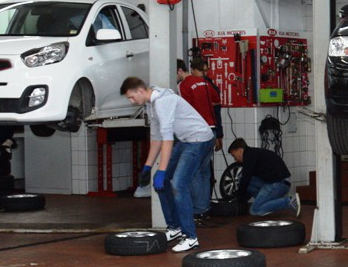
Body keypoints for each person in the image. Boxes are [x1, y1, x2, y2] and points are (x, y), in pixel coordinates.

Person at [121, 76, 215, 252]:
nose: (131, 101)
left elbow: (167, 138)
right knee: (162, 182)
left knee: (179, 185)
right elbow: (156, 137)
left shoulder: (163, 102)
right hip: (187, 140)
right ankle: (175, 228)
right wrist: (148, 168)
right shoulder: (151, 105)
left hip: (200, 140)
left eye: (131, 97)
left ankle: (190, 237)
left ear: (140, 91)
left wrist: (162, 170)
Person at [177, 59, 217, 219]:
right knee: (205, 171)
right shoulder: (205, 83)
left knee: (193, 172)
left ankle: (199, 209)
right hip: (212, 131)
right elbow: (216, 100)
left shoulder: (183, 86)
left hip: (198, 133)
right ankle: (205, 206)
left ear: (180, 71)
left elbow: (186, 110)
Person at [227, 138, 300, 217]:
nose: (235, 159)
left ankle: (288, 201)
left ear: (240, 150)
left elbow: (245, 180)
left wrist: (238, 197)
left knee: (254, 210)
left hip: (279, 183)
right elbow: (246, 182)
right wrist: (241, 199)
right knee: (241, 177)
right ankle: (267, 203)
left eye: (234, 155)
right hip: (277, 181)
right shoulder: (252, 153)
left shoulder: (249, 156)